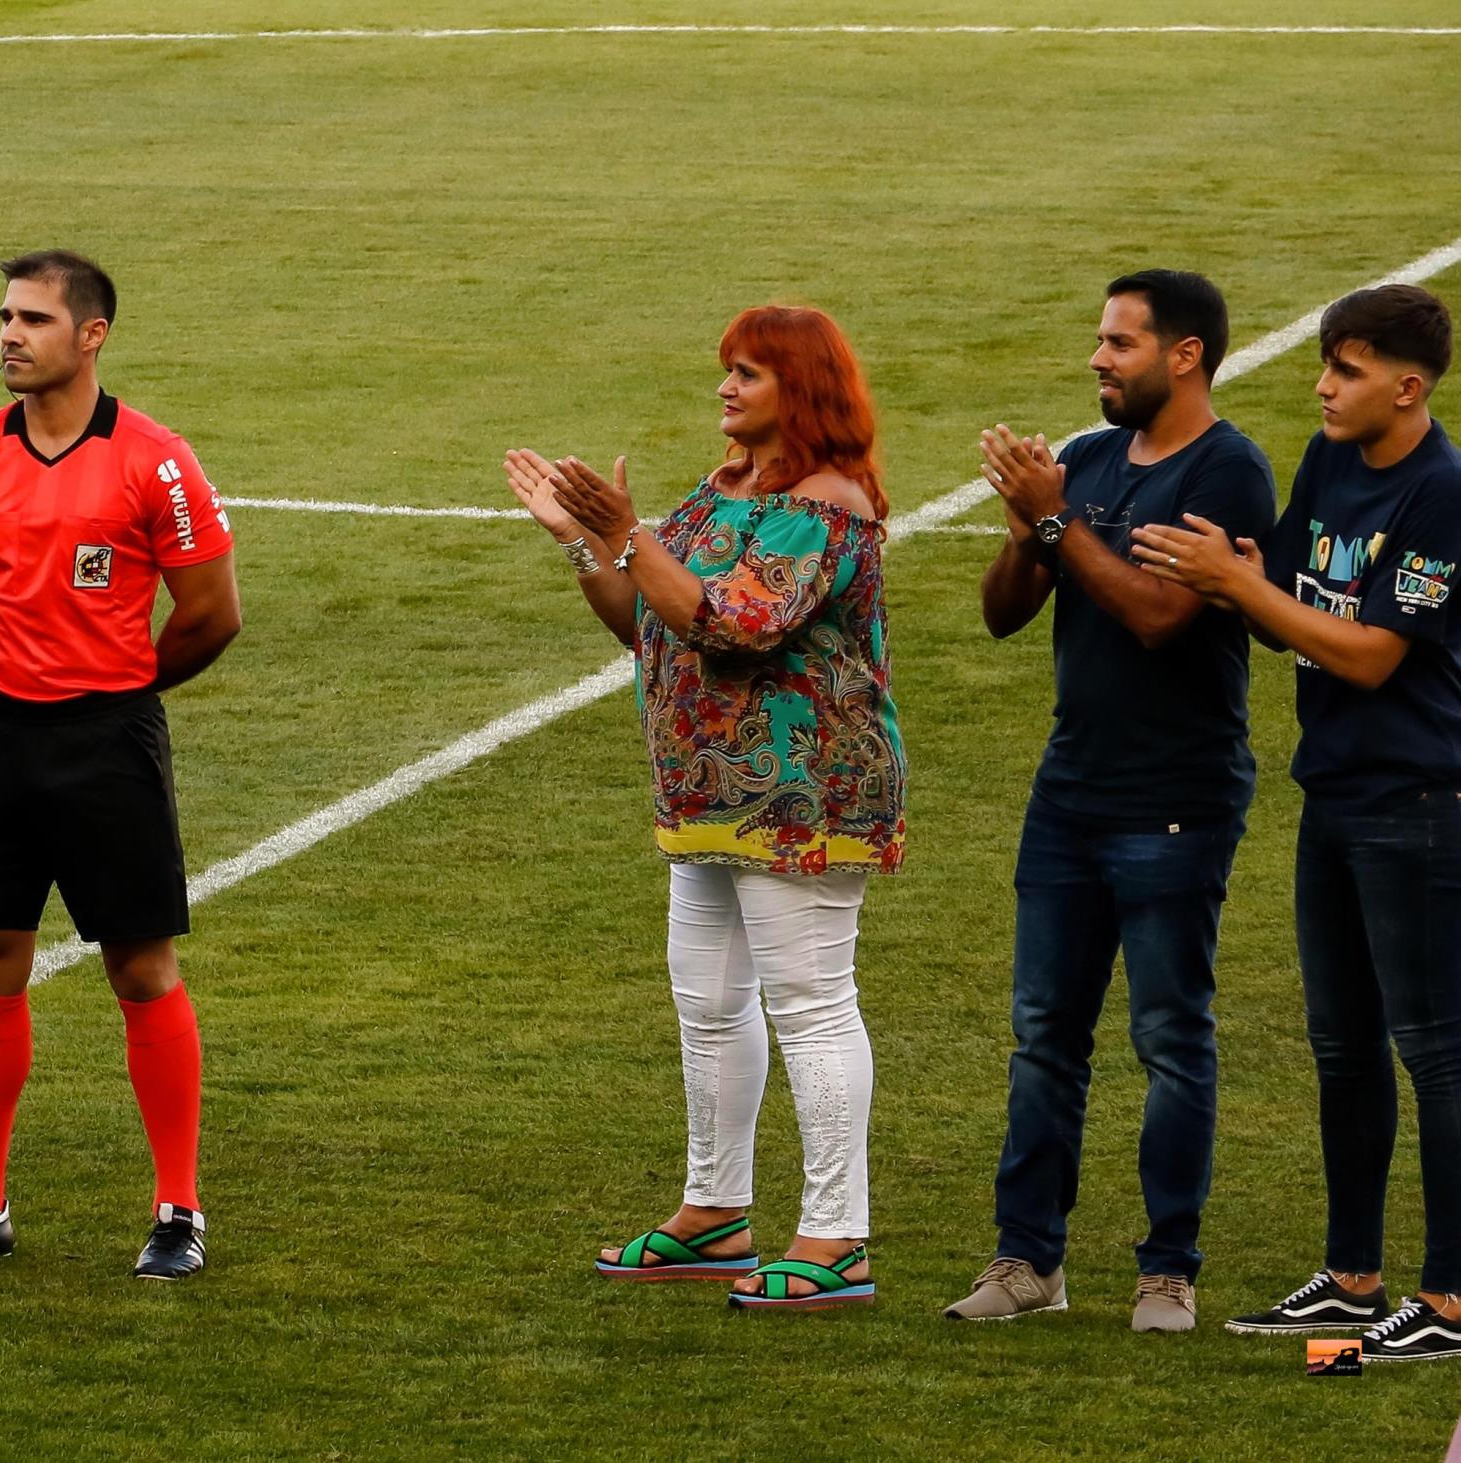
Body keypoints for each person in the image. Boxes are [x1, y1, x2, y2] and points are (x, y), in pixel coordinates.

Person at [508, 304, 904, 1311]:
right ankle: (715, 1209)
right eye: (725, 370)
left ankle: (836, 1235)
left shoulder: (827, 505)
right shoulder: (723, 488)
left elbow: (731, 624)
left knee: (810, 1004)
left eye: (749, 374)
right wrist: (583, 544)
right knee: (710, 1003)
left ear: (801, 390)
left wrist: (624, 531)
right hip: (709, 793)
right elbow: (648, 624)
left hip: (801, 795)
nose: (725, 388)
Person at [0, 250, 243, 1281]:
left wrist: (118, 685)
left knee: (139, 964)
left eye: (33, 318)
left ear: (92, 335)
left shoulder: (155, 461)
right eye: (4, 314)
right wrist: (11, 678)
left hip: (109, 741)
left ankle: (179, 1204)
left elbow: (211, 612)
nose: (8, 333)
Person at [1134, 284, 1461, 1362]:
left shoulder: (1440, 493)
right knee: (1344, 1047)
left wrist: (1240, 583)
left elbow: (1369, 654)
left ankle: (1453, 1297)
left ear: (1408, 387)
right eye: (1326, 361)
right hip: (1335, 793)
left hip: (1417, 803)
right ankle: (1353, 1274)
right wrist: (1206, 575)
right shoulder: (1328, 463)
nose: (1324, 384)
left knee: (1437, 1052)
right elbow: (1288, 607)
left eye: (1350, 369)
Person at [946, 271, 1277, 1334]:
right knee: (1045, 1032)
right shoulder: (1083, 464)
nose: (1098, 357)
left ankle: (1167, 1270)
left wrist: (1056, 525)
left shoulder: (1228, 471)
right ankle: (1027, 1257)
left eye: (1120, 342)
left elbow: (1155, 614)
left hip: (1176, 799)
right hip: (1071, 795)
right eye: (1099, 338)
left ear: (1184, 355)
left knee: (1171, 1036)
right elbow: (1004, 615)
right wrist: (1023, 529)